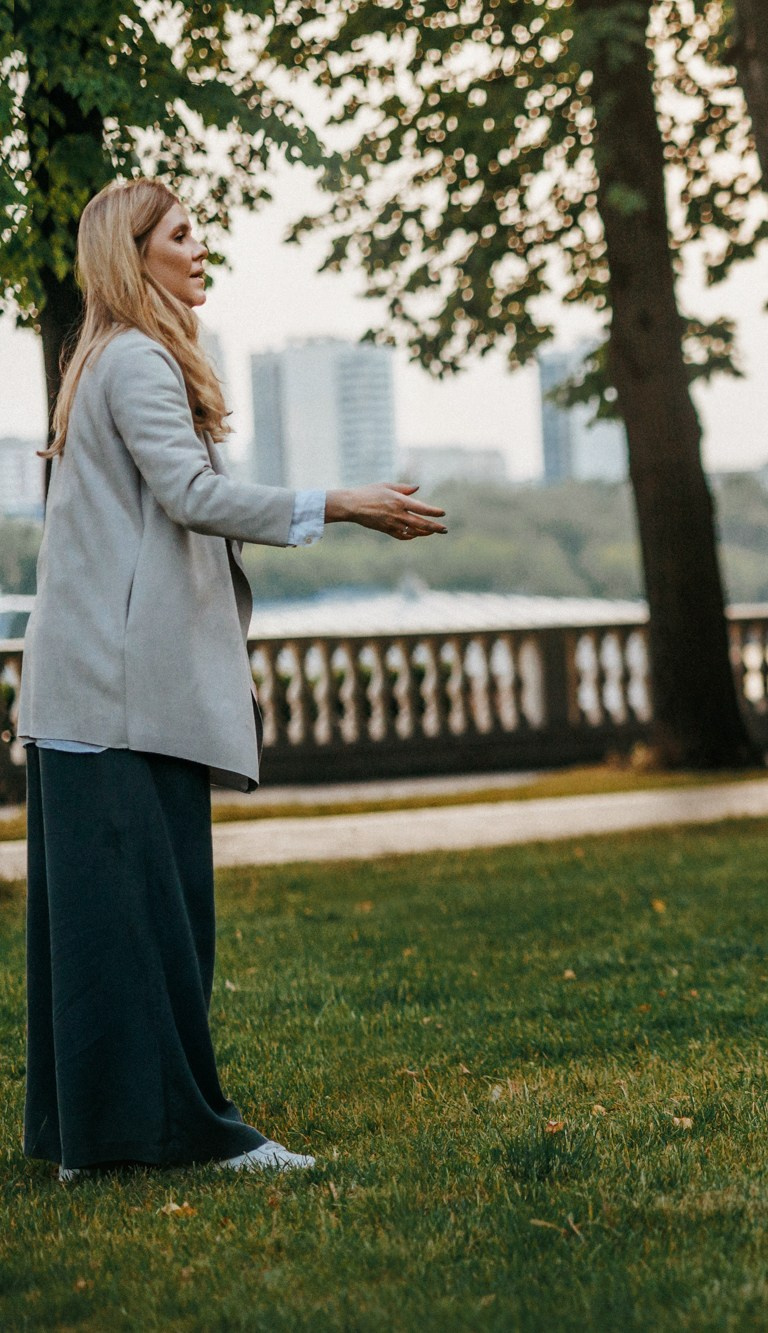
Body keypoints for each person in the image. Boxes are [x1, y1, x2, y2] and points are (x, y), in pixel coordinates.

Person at [20, 178, 449, 1181]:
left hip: (93, 693)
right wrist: (337, 501)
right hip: (116, 696)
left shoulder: (113, 359)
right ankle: (182, 1138)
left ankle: (97, 1140)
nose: (200, 247)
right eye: (180, 233)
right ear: (135, 254)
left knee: (106, 931)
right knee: (147, 932)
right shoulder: (136, 360)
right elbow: (192, 494)